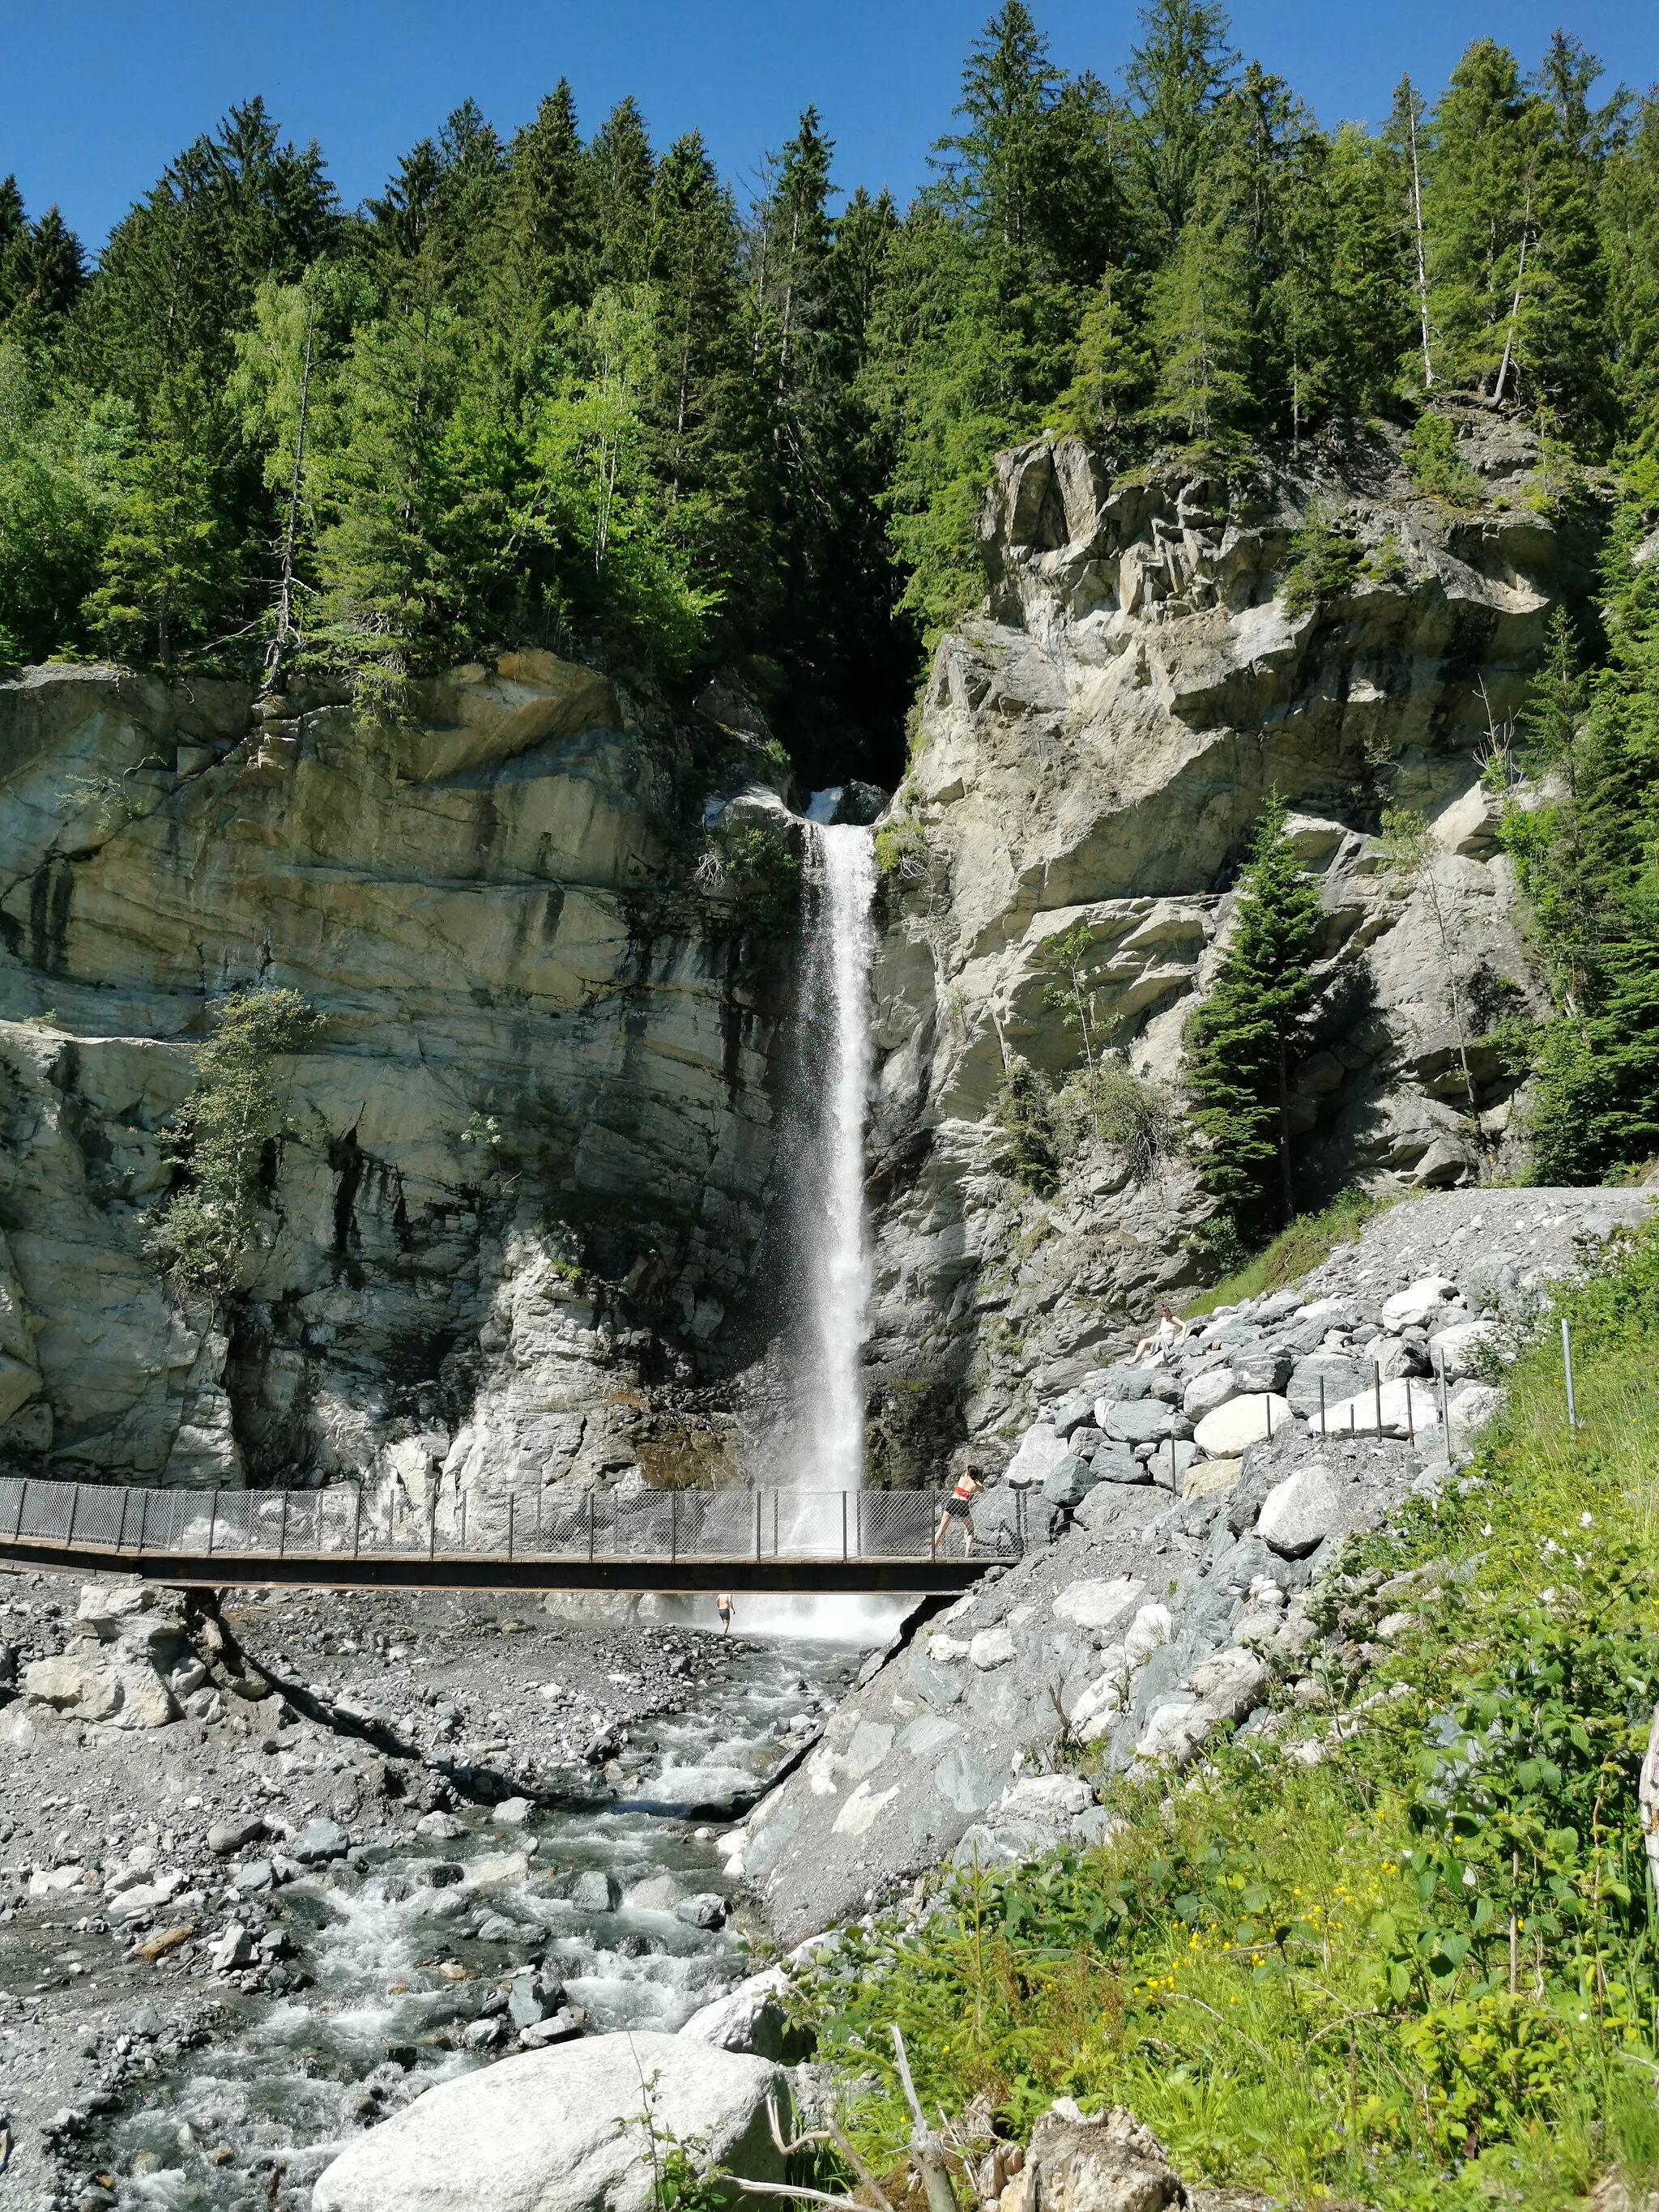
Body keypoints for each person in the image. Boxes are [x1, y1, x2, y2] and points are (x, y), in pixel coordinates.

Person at [934, 1473, 982, 1558]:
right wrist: (976, 1481)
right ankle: (967, 1553)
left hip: (953, 1502)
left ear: (968, 1472)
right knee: (971, 1530)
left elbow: (965, 1475)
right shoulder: (974, 1484)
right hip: (963, 1504)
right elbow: (982, 1490)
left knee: (941, 1530)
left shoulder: (962, 1479)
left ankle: (932, 1553)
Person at [1132, 1303, 1188, 1367]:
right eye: (1165, 1315)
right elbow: (1161, 1330)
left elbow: (1184, 1325)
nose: (1167, 1317)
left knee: (1144, 1342)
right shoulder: (1163, 1319)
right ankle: (1135, 1358)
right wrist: (1155, 1335)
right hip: (1161, 1338)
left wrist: (1183, 1336)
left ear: (1170, 1312)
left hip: (1167, 1340)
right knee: (1143, 1341)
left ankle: (1134, 1360)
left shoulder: (1173, 1319)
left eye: (1167, 1315)